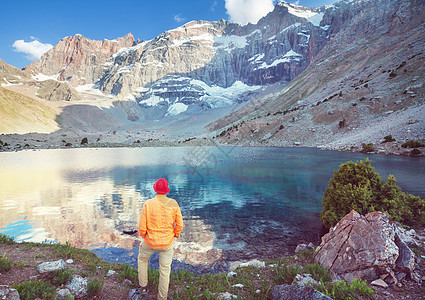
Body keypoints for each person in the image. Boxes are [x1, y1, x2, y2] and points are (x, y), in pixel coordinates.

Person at [137, 178, 183, 300]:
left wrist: (143, 235)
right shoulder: (173, 203)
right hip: (167, 243)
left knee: (142, 260)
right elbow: (179, 225)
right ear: (166, 190)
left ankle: (143, 288)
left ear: (155, 189)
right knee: (164, 270)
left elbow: (142, 226)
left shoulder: (148, 204)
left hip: (150, 241)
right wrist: (175, 234)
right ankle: (161, 297)